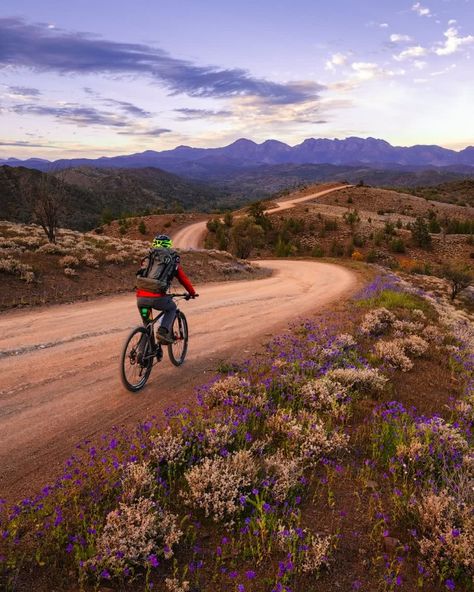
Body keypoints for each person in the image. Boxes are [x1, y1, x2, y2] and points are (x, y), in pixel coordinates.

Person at [136, 234, 196, 344]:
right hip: (157, 298)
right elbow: (183, 279)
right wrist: (192, 293)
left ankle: (141, 354)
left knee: (147, 325)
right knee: (171, 308)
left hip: (141, 298)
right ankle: (162, 332)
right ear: (169, 245)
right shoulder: (172, 260)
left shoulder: (149, 257)